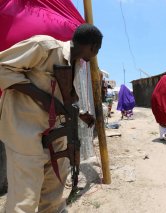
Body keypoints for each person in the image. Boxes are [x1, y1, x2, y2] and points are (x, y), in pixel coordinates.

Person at [0, 23, 102, 212]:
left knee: (53, 195)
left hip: (55, 134)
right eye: (97, 50)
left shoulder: (75, 64)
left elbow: (60, 96)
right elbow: (2, 68)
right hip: (24, 131)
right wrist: (44, 99)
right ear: (94, 47)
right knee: (25, 199)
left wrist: (79, 114)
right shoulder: (44, 47)